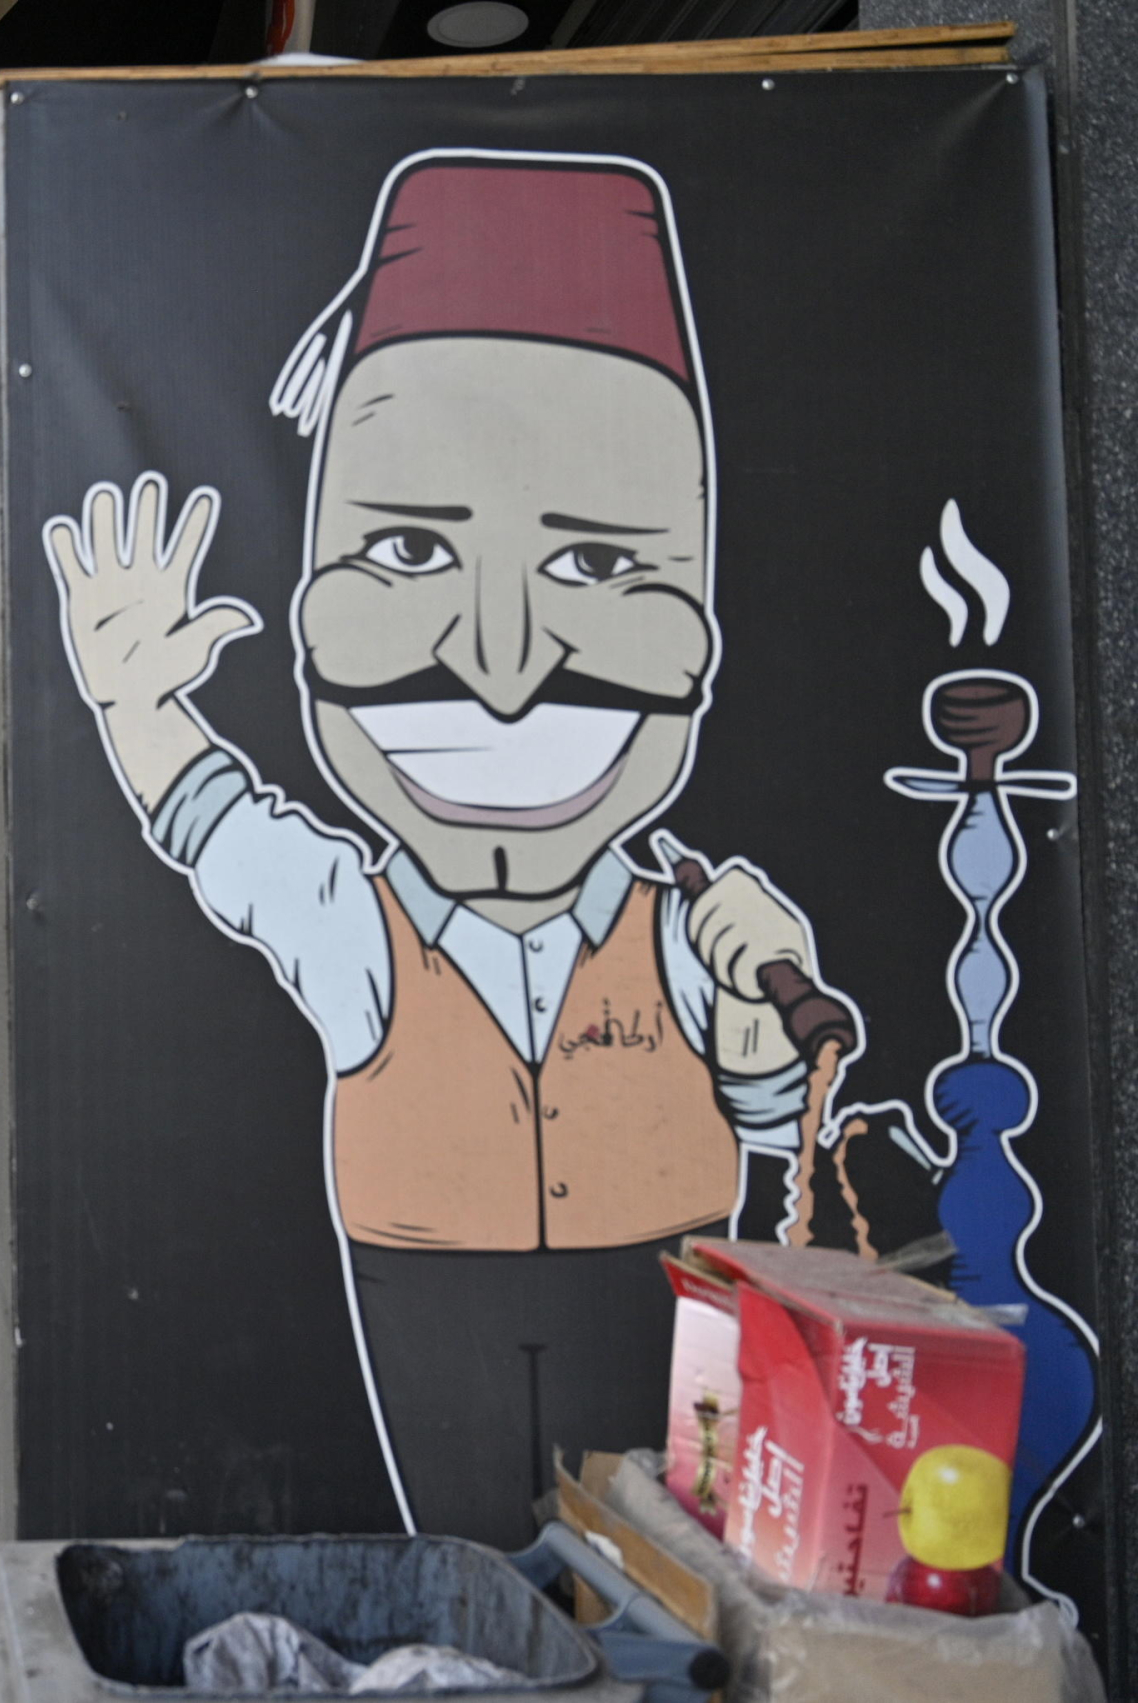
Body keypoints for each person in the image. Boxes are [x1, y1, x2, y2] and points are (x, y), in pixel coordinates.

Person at [42, 153, 856, 1545]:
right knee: (473, 1575)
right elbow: (220, 830)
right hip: (430, 1301)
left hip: (660, 1292)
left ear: (703, 622)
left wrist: (773, 1037)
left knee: (659, 1591)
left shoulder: (695, 927)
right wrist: (135, 705)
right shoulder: (354, 923)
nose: (500, 662)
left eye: (599, 564)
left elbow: (797, 1180)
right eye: (409, 549)